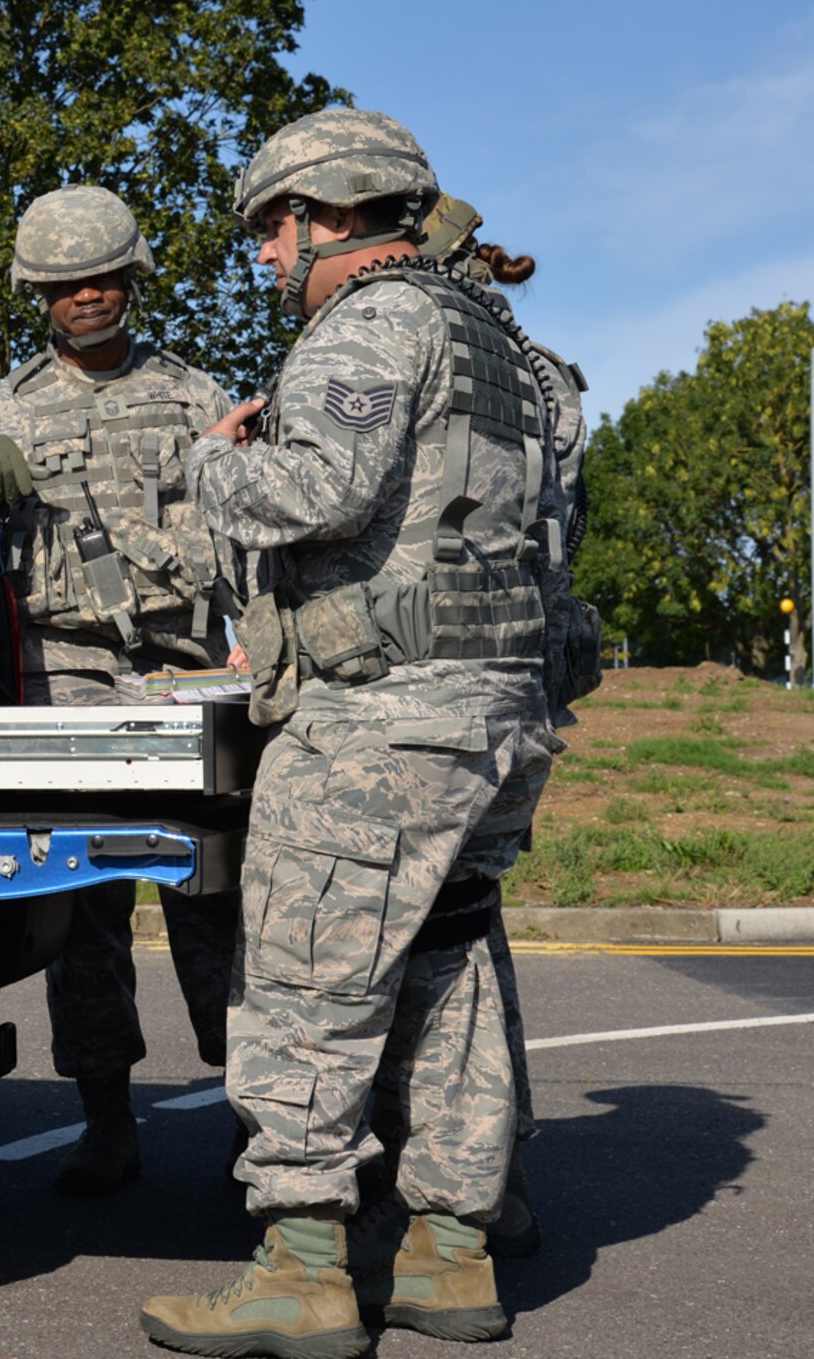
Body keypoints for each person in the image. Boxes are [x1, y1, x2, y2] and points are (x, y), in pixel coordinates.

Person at [137, 109, 564, 1358]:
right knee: (449, 975)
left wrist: (209, 462)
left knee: (302, 979)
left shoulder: (371, 322)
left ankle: (301, 1267)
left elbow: (308, 491)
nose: (267, 260)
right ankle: (447, 1255)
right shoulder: (505, 347)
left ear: (325, 213)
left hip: (382, 721)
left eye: (270, 230)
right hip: (491, 714)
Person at [0, 184, 240, 1197]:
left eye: (105, 277)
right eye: (67, 284)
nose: (88, 298)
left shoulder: (198, 399)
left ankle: (255, 1109)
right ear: (37, 292)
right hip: (62, 669)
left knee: (212, 891)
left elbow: (240, 536)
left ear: (135, 277)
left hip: (185, 665)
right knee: (82, 901)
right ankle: (104, 1117)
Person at [352, 194, 596, 1267]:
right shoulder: (540, 374)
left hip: (418, 687)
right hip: (512, 687)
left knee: (414, 952)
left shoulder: (430, 357)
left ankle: (452, 1190)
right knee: (463, 937)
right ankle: (490, 1186)